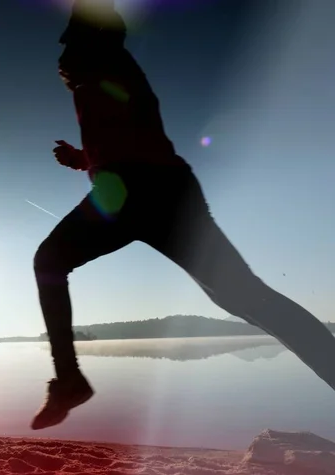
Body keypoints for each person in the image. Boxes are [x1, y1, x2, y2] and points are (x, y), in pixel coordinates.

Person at [31, 0, 335, 431]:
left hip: (136, 192)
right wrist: (84, 159)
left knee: (49, 261)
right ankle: (68, 381)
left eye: (70, 40)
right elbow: (130, 136)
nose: (62, 53)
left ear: (88, 41)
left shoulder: (109, 64)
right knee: (246, 298)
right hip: (163, 192)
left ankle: (69, 381)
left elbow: (130, 129)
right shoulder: (99, 80)